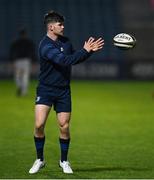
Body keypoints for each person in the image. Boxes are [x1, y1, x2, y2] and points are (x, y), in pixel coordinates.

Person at [29, 10, 104, 174]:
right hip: (46, 89)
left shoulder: (66, 42)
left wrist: (88, 52)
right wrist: (85, 51)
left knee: (64, 126)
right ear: (51, 27)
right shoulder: (45, 46)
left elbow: (73, 60)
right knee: (39, 124)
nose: (63, 27)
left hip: (63, 91)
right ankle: (39, 159)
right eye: (60, 24)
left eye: (63, 24)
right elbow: (64, 61)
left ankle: (64, 161)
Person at [10, 28, 36, 96]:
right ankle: (24, 92)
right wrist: (33, 61)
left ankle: (19, 86)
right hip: (26, 61)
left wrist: (12, 61)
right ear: (25, 34)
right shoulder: (29, 42)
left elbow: (12, 52)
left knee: (17, 76)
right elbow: (33, 52)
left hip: (17, 61)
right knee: (25, 76)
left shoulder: (16, 42)